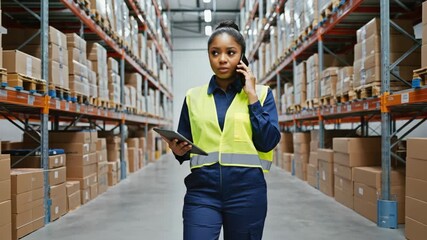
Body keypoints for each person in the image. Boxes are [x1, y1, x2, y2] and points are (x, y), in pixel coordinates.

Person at [165, 20, 280, 240]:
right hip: (202, 191)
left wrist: (252, 97)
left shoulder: (262, 94)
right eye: (215, 53)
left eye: (230, 52)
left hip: (247, 193)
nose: (222, 59)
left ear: (242, 56)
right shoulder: (193, 97)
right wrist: (179, 152)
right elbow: (185, 144)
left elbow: (267, 142)